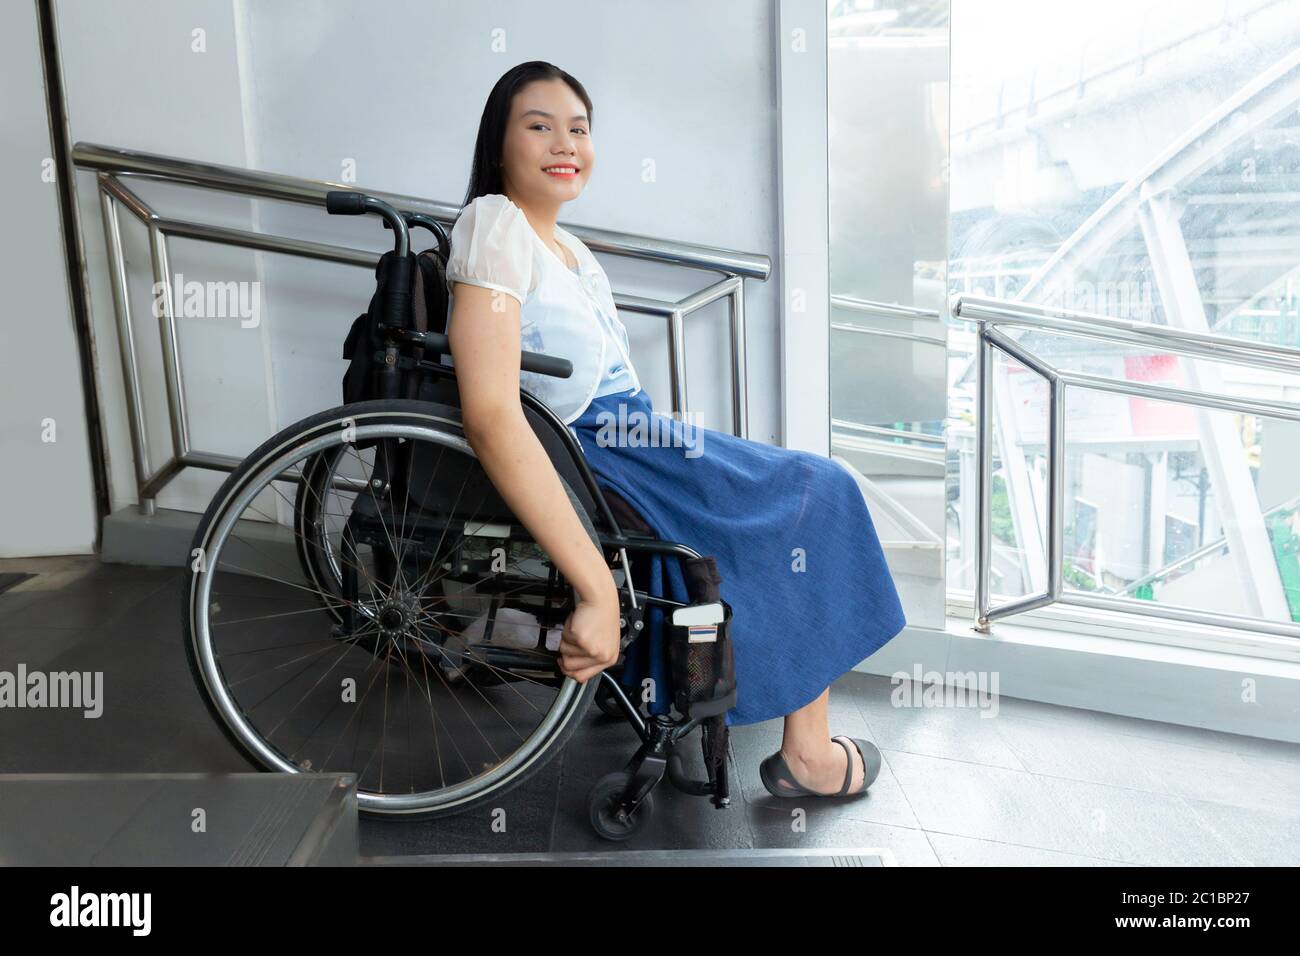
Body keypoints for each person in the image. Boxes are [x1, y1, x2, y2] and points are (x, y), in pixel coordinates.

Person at [445, 61, 907, 798]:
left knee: (810, 488)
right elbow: (494, 414)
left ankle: (781, 723)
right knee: (816, 491)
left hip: (639, 437)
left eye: (580, 128)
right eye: (539, 126)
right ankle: (809, 755)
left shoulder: (561, 246)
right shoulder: (496, 226)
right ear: (499, 147)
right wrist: (596, 589)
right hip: (602, 451)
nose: (565, 142)